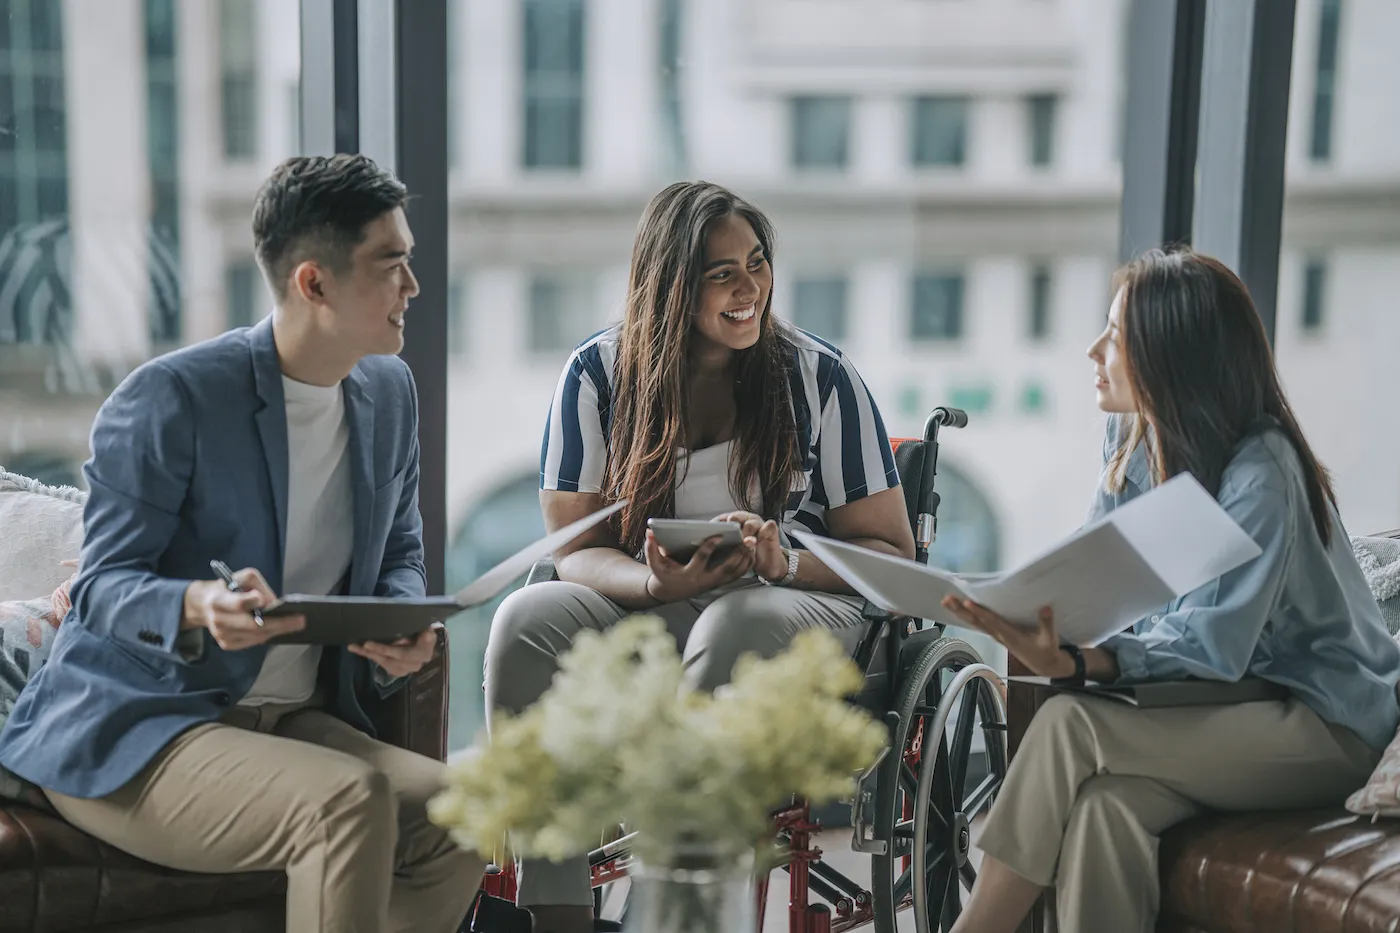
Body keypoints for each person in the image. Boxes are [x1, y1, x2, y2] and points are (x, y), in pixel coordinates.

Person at [0, 154, 484, 933]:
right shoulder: (172, 398)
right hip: (143, 729)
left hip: (288, 718)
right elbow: (103, 585)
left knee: (466, 812)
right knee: (346, 803)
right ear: (313, 283)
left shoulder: (388, 392)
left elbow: (398, 550)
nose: (414, 287)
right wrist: (197, 603)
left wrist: (396, 621)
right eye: (391, 264)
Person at [483, 180, 916, 933]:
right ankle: (556, 915)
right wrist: (651, 582)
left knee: (736, 622)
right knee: (525, 618)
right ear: (672, 282)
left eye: (758, 262)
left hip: (796, 602)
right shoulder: (598, 375)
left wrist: (785, 562)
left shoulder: (821, 379)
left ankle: (681, 913)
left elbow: (890, 551)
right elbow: (574, 548)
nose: (750, 287)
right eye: (723, 272)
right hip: (648, 600)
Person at [939, 248, 1400, 933]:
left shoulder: (1263, 467)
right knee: (1105, 809)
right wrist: (1038, 614)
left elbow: (1215, 641)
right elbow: (1100, 572)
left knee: (1068, 723)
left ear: (1172, 356)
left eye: (1116, 336)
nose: (1095, 350)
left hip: (1327, 724)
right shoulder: (1132, 438)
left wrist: (1079, 662)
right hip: (1237, 700)